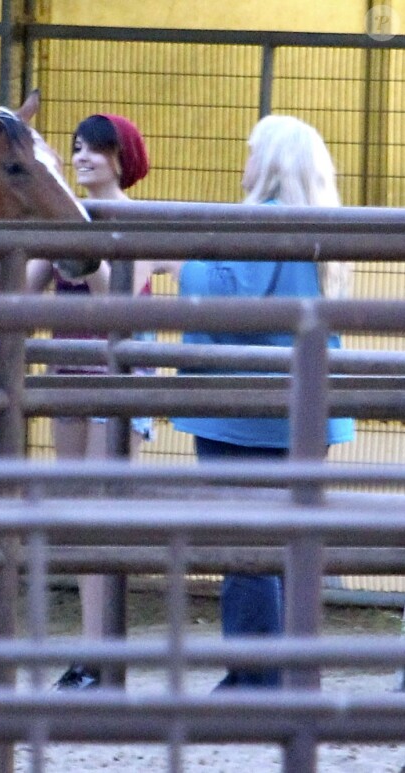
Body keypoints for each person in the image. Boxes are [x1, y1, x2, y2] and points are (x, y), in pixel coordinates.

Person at [171, 114, 354, 689]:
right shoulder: (320, 227)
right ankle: (294, 674)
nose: (244, 162)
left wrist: (181, 262)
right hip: (300, 413)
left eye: (250, 151)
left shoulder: (264, 218)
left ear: (270, 161)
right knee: (289, 546)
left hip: (242, 414)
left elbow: (229, 298)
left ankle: (256, 679)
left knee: (245, 548)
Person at [24, 112, 178, 690]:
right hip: (69, 379)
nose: (83, 157)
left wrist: (78, 243)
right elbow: (14, 293)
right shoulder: (67, 217)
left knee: (99, 518)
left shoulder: (135, 220)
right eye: (77, 148)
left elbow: (117, 298)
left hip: (118, 383)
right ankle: (93, 656)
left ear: (121, 159)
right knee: (77, 518)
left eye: (95, 149)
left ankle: (98, 658)